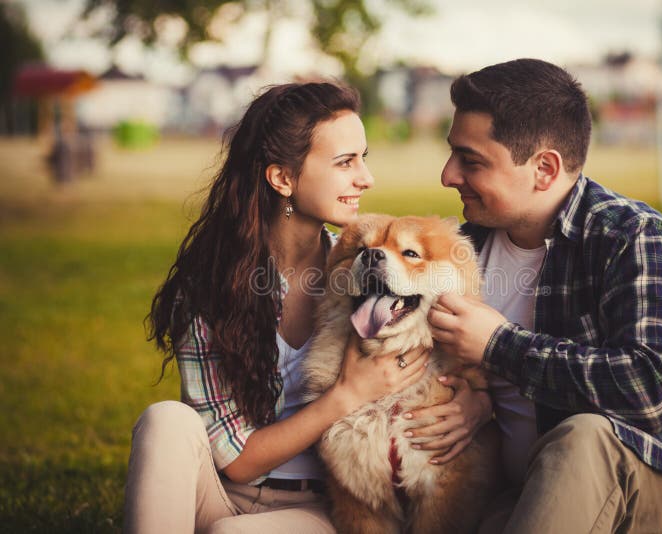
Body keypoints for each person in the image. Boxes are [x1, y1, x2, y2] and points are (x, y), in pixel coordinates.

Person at [427, 59, 662, 534]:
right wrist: (476, 401)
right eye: (452, 154)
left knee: (585, 438)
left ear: (545, 168)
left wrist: (499, 346)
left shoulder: (632, 236)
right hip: (530, 489)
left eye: (471, 160)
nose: (447, 175)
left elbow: (650, 390)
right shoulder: (464, 250)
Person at [122, 82, 433, 534]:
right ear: (282, 178)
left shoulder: (370, 276)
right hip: (217, 489)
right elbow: (237, 462)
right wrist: (346, 395)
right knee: (165, 419)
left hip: (317, 507)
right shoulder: (209, 286)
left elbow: (443, 353)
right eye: (345, 162)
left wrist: (476, 404)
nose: (365, 178)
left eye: (364, 158)